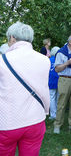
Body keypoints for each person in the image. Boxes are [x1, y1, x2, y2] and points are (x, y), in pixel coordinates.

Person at [0, 22, 50, 155]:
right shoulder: (44, 60)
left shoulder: (2, 60)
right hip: (35, 119)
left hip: (7, 122)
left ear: (12, 38)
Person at [53, 35, 71, 134]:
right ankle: (57, 125)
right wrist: (67, 63)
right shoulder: (61, 53)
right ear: (70, 42)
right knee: (61, 103)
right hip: (65, 80)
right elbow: (57, 69)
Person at [48, 46, 60, 120]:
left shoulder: (48, 60)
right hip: (59, 80)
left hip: (51, 80)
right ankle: (58, 113)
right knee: (58, 97)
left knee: (52, 97)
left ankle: (53, 114)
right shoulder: (60, 60)